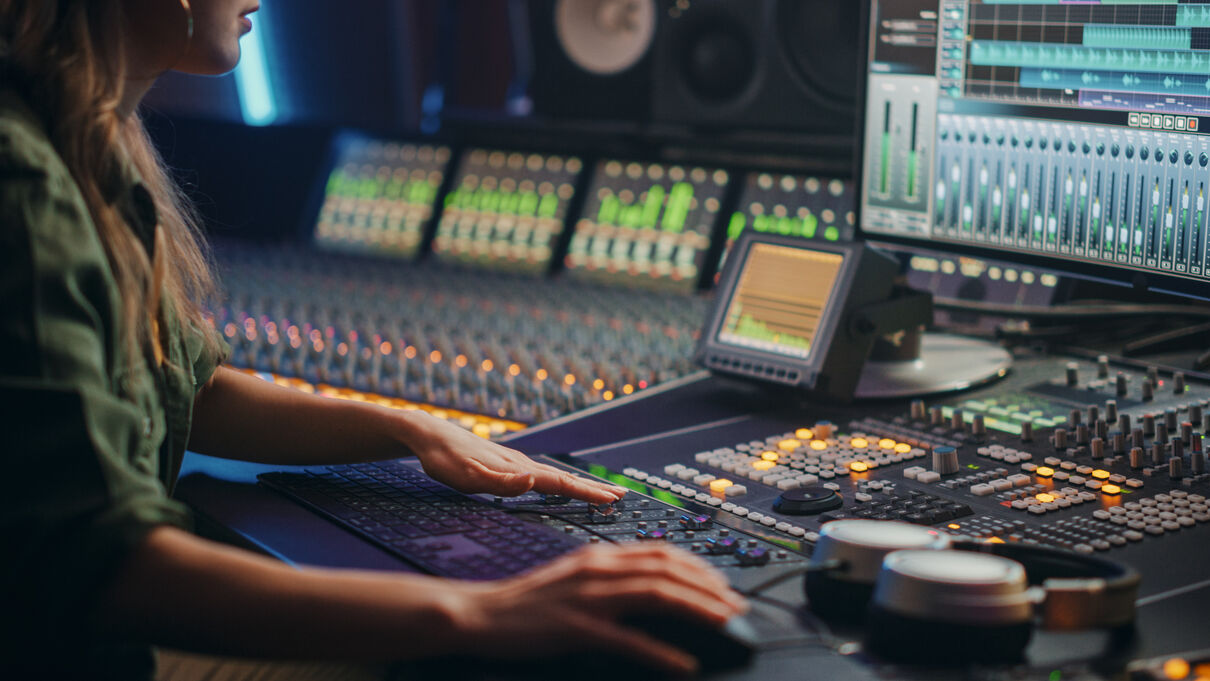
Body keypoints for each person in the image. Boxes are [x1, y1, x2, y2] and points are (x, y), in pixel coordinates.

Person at [0, 1, 748, 679]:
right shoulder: (26, 185)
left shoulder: (88, 143)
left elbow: (195, 388)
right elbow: (104, 564)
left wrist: (409, 427)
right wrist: (482, 612)